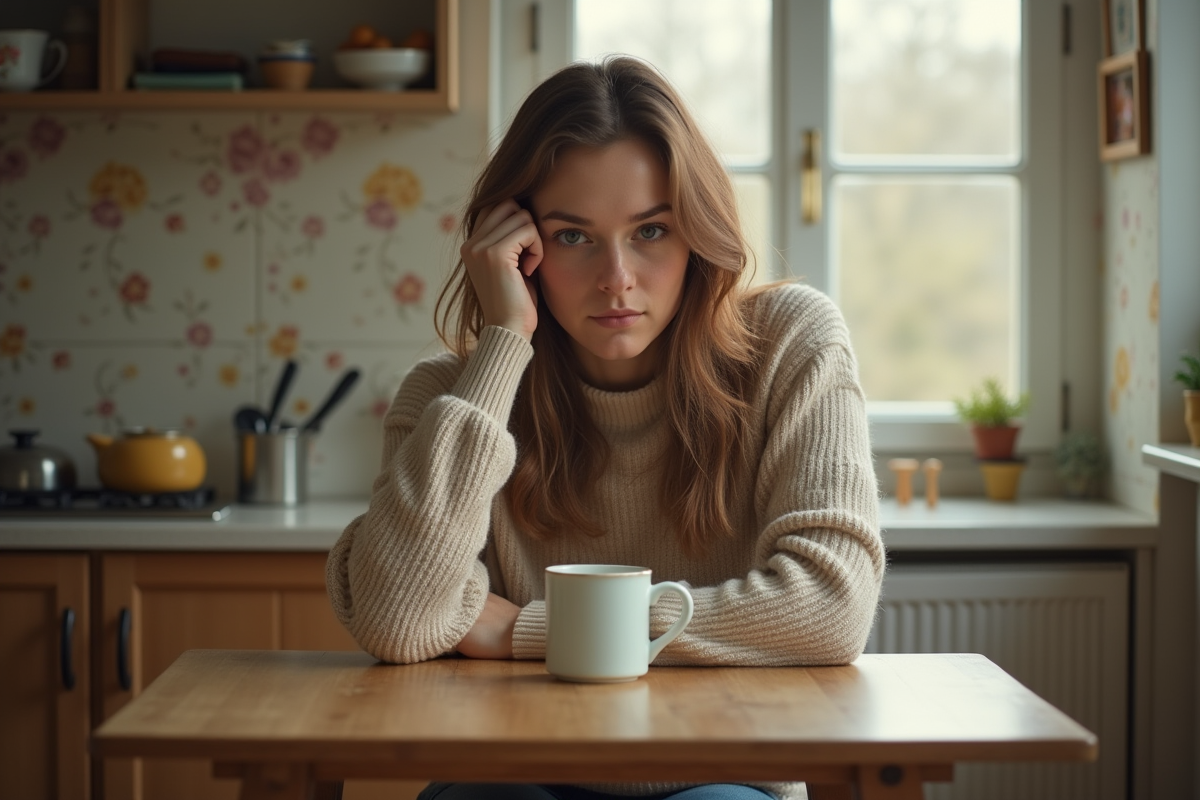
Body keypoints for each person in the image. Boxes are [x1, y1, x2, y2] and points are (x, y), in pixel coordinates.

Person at [327, 56, 884, 800]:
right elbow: (396, 616)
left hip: (723, 778)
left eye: (650, 229)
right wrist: (503, 343)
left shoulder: (792, 343)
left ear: (697, 234)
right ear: (515, 250)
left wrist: (525, 630)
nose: (616, 278)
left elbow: (831, 607)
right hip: (515, 775)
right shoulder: (452, 393)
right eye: (573, 237)